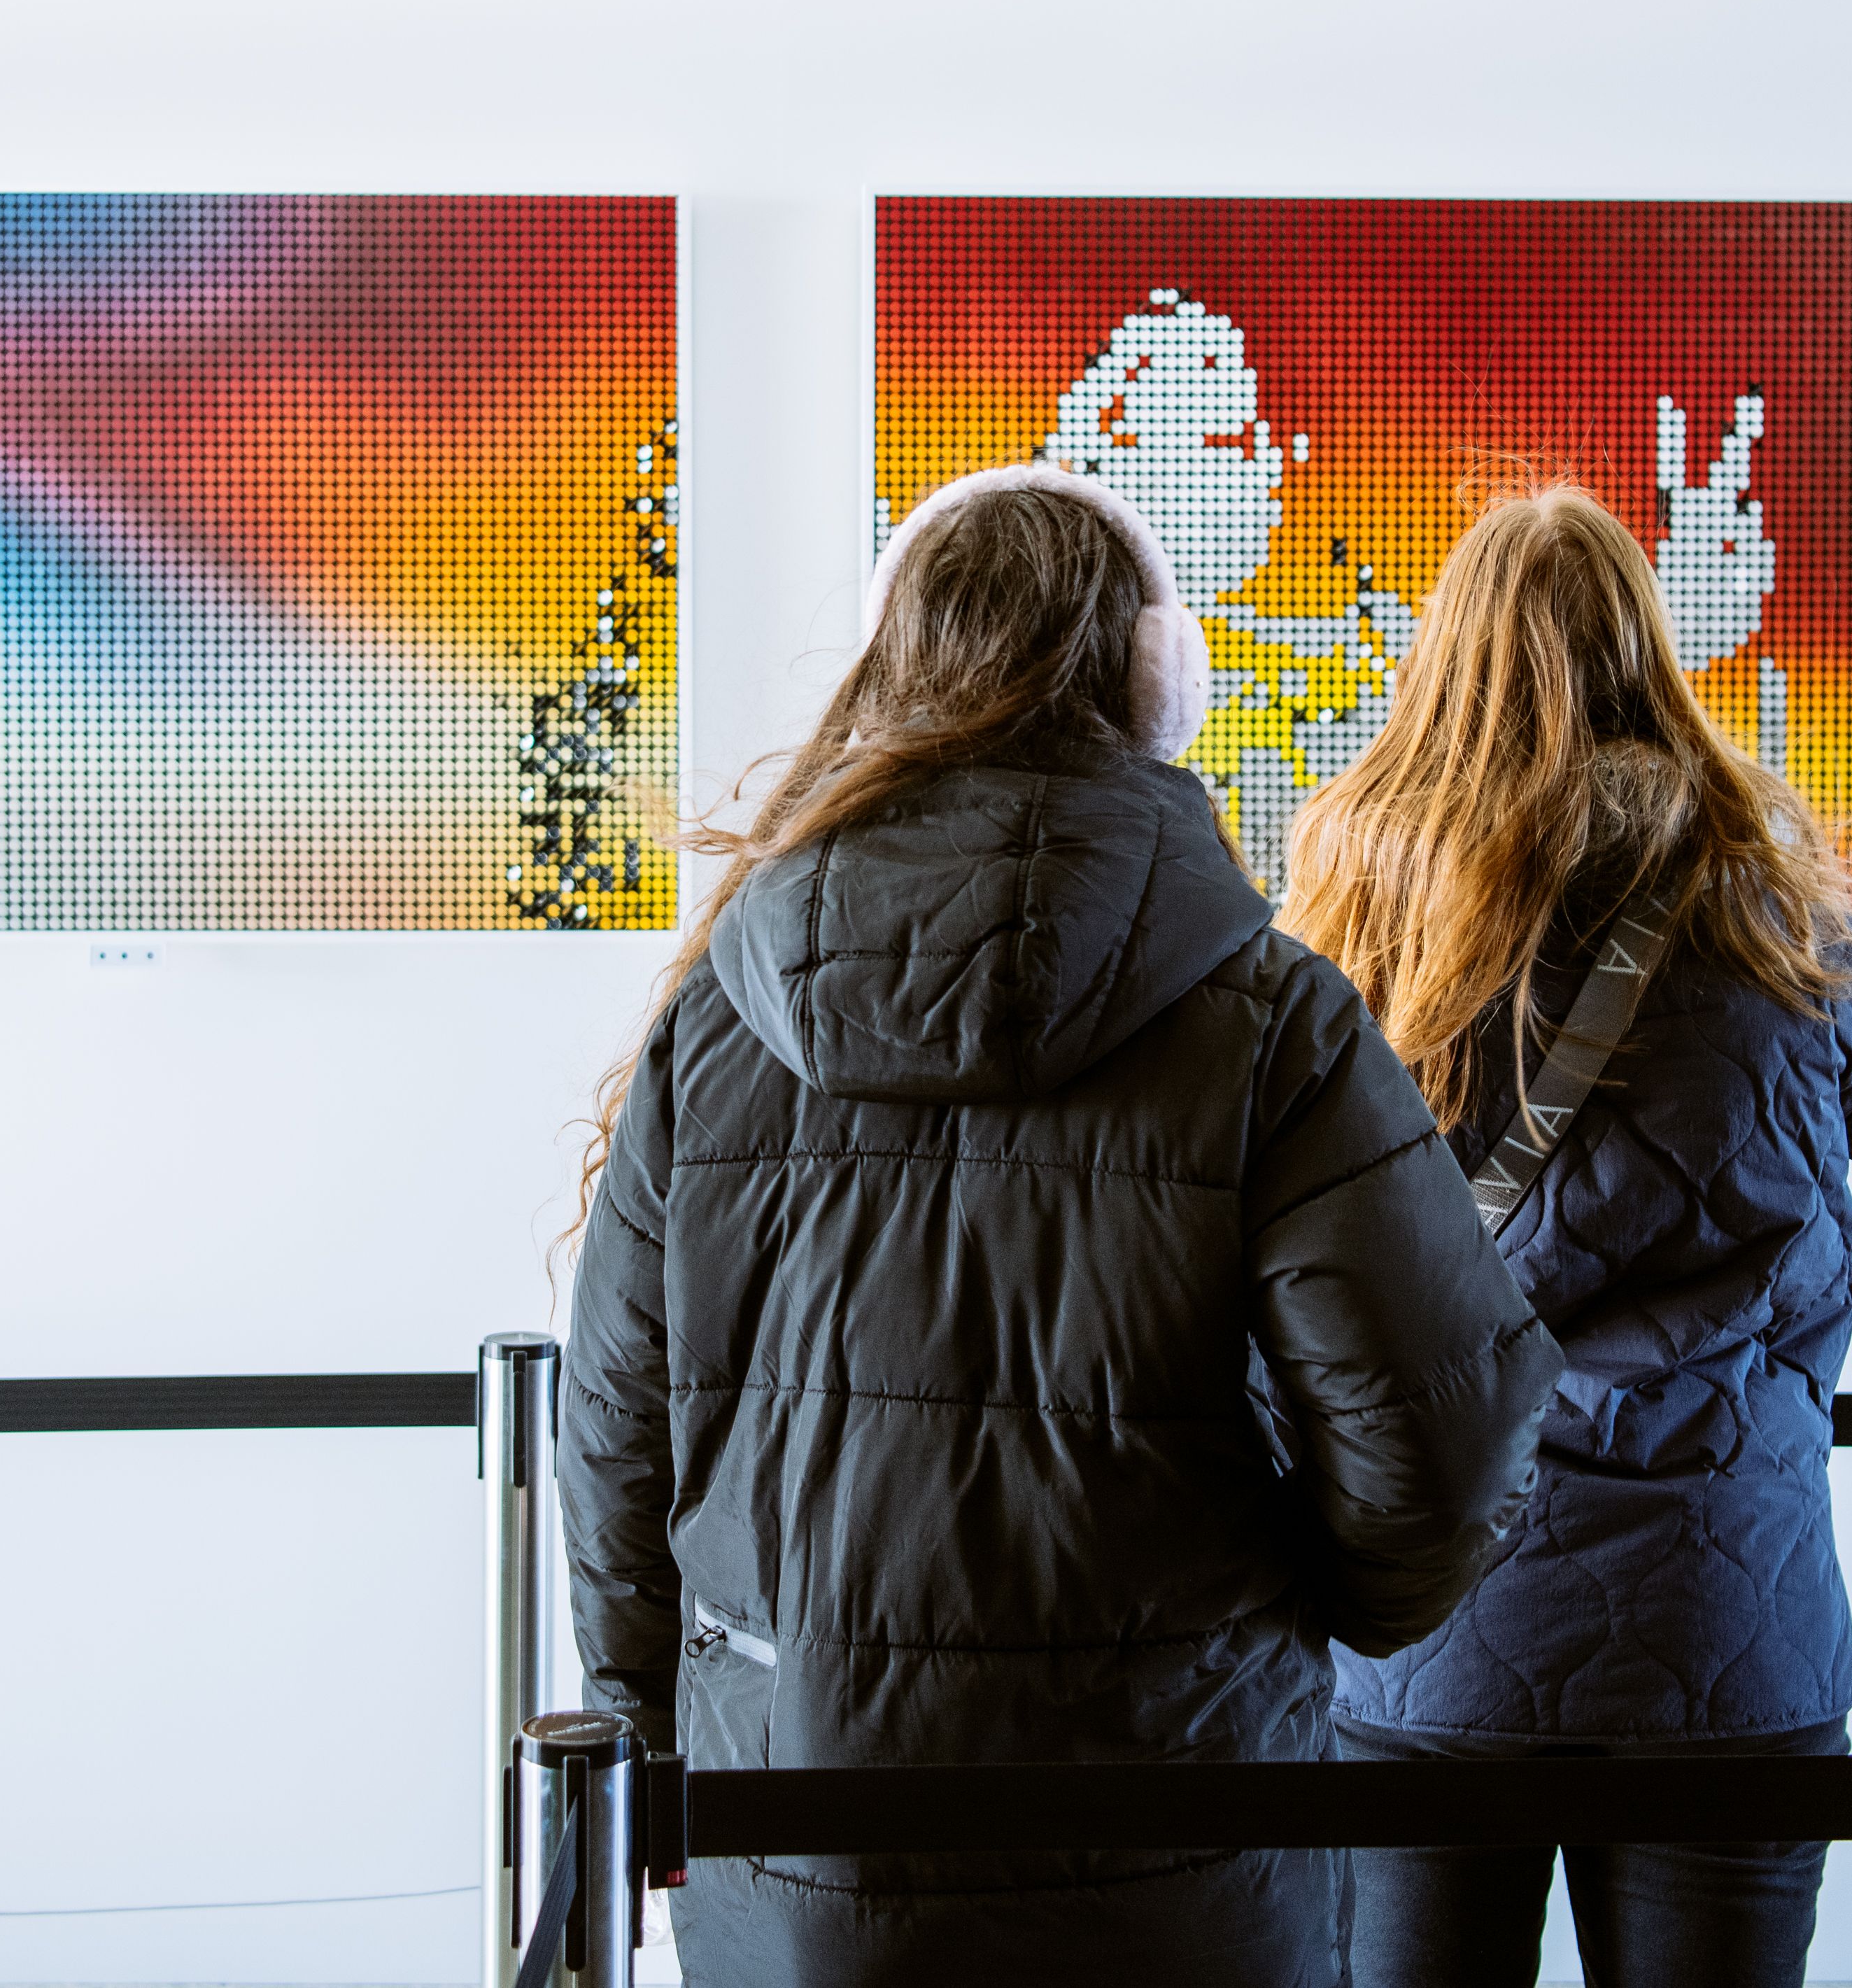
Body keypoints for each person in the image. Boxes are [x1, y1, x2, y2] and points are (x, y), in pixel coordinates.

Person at [557, 466, 1567, 1988]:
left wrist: (659, 1761)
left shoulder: (717, 1030)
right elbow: (1447, 1441)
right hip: (1180, 1846)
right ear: (1160, 682)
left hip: (803, 1862)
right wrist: (1316, 1611)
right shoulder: (1272, 1024)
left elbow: (617, 1451)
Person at [1276, 484, 1852, 1988]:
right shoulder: (1793, 933)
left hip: (1427, 1636)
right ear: (1653, 658)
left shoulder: (1343, 941)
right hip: (1728, 1639)